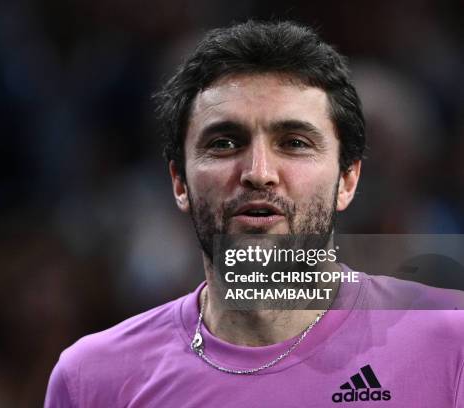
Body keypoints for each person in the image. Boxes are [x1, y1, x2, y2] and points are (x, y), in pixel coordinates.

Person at [45, 20, 464, 407]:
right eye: (224, 143)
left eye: (295, 142)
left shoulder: (452, 341)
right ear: (179, 183)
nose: (258, 173)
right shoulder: (93, 379)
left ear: (347, 180)